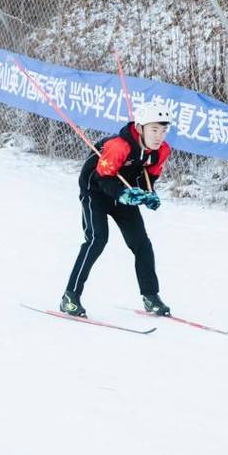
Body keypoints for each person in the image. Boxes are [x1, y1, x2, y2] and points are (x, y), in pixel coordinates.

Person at [60, 102, 174, 319]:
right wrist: (124, 194)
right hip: (95, 191)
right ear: (140, 128)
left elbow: (148, 176)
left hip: (124, 195)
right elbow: (103, 179)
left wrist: (147, 193)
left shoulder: (161, 151)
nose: (159, 136)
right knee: (97, 239)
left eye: (163, 130)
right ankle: (70, 296)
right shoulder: (118, 146)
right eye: (154, 129)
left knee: (141, 243)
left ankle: (151, 296)